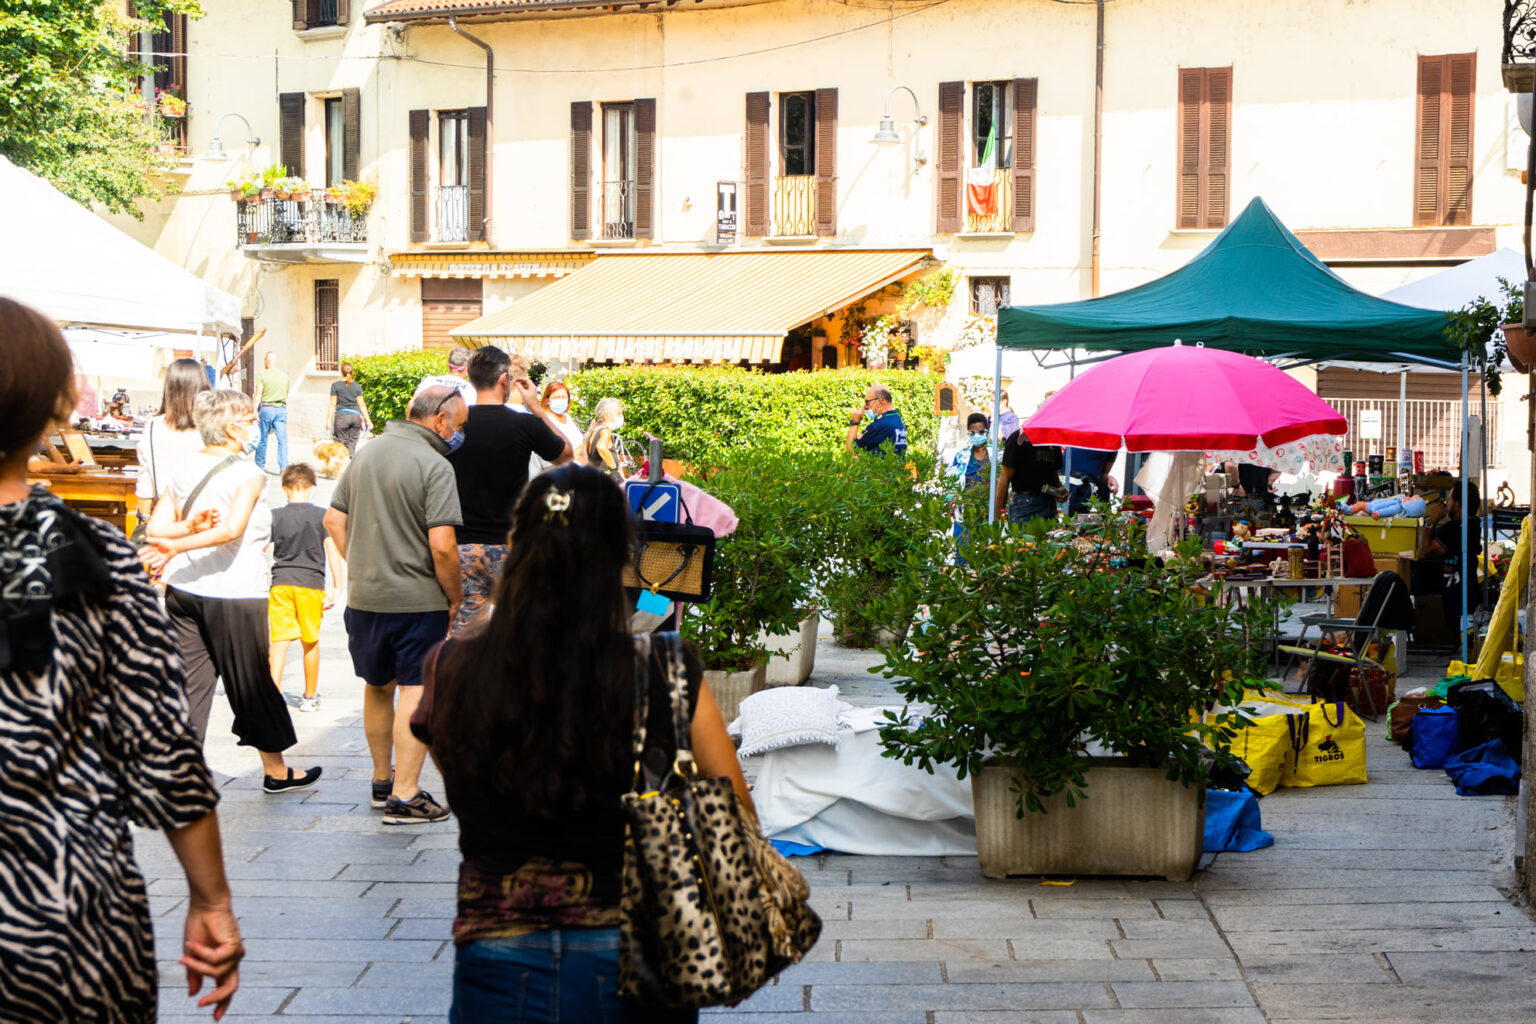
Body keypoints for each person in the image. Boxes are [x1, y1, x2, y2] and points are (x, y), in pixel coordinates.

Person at [418, 464, 752, 1023]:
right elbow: (733, 817)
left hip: (497, 949)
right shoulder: (666, 669)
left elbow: (457, 768)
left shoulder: (450, 667)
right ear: (622, 555)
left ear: (515, 547)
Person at [0, 297, 243, 1023]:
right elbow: (162, 750)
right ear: (54, 407)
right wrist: (212, 902)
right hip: (61, 916)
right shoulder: (93, 556)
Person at [143, 389, 324, 795]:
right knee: (251, 682)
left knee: (191, 683)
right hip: (235, 592)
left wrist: (181, 537)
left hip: (184, 587)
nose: (256, 424)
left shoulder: (186, 465)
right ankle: (276, 772)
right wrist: (181, 542)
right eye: (250, 418)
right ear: (231, 426)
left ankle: (178, 774)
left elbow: (157, 529)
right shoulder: (247, 473)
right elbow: (231, 530)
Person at [324, 385, 466, 825]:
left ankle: (381, 781)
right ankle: (406, 795)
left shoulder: (365, 453)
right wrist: (455, 597)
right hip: (416, 599)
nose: (458, 434)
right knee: (416, 689)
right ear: (439, 421)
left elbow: (333, 520)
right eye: (458, 426)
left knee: (377, 685)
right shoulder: (435, 465)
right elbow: (443, 547)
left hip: (366, 598)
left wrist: (365, 565)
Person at [447, 347, 572, 634]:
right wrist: (536, 407)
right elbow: (565, 455)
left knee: (466, 638)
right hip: (510, 547)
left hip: (463, 548)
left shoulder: (453, 425)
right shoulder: (524, 424)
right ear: (505, 380)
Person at [269, 462, 344, 712]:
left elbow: (257, 548)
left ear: (284, 489)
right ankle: (309, 697)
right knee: (310, 641)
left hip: (280, 584)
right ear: (312, 488)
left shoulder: (275, 516)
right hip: (311, 584)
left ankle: (273, 694)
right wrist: (337, 586)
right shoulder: (321, 516)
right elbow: (332, 550)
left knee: (279, 642)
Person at [135, 356, 212, 531]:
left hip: (165, 518)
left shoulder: (154, 426)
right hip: (207, 517)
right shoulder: (212, 426)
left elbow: (145, 482)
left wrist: (145, 520)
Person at [1418, 480, 1483, 636]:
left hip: (1457, 599)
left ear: (1458, 505)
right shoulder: (1473, 525)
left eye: (1449, 499)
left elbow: (1425, 551)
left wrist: (1432, 521)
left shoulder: (1454, 530)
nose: (1446, 503)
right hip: (1468, 594)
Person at [947, 413, 997, 563]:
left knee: (989, 551)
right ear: (968, 433)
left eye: (981, 432)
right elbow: (952, 481)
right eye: (973, 432)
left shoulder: (996, 455)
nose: (977, 436)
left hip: (988, 510)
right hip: (965, 510)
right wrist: (950, 503)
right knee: (962, 551)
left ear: (987, 432)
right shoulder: (961, 456)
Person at [993, 426, 1065, 524]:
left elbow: (1053, 475)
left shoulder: (1052, 440)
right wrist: (997, 520)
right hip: (1026, 503)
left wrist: (1059, 490)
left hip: (1049, 502)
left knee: (1051, 538)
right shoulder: (1018, 438)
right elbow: (1004, 479)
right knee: (1024, 539)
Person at [530, 379, 584, 475]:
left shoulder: (567, 417)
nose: (560, 400)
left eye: (563, 397)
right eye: (556, 397)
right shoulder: (544, 420)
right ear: (547, 400)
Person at [253, 352, 290, 473]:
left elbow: (258, 393)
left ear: (266, 361)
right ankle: (284, 468)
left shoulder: (262, 375)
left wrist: (254, 411)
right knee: (282, 440)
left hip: (267, 408)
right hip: (281, 409)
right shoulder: (285, 376)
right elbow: (286, 394)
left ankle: (259, 466)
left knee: (262, 438)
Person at [845, 386, 908, 457]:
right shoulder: (898, 421)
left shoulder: (880, 425)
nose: (865, 406)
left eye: (867, 402)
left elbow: (850, 451)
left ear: (880, 401)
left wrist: (854, 422)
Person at [577, 397, 631, 479]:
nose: (622, 416)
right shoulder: (605, 430)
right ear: (606, 415)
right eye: (618, 413)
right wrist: (614, 468)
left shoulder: (594, 430)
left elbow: (577, 453)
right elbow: (601, 447)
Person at [326, 361, 373, 455]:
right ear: (352, 372)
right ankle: (350, 465)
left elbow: (332, 404)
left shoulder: (335, 386)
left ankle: (341, 466)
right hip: (355, 418)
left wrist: (327, 421)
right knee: (351, 445)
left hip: (341, 418)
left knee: (340, 446)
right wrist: (368, 420)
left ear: (341, 372)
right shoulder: (357, 386)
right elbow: (361, 404)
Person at [412, 345, 477, 409]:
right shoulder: (470, 389)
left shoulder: (429, 381)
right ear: (468, 367)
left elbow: (412, 404)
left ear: (448, 363)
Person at [1064, 446, 1117, 515]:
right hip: (1078, 488)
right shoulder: (1113, 441)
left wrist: (1108, 478)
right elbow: (1104, 473)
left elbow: (1104, 473)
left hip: (1078, 486)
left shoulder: (1113, 442)